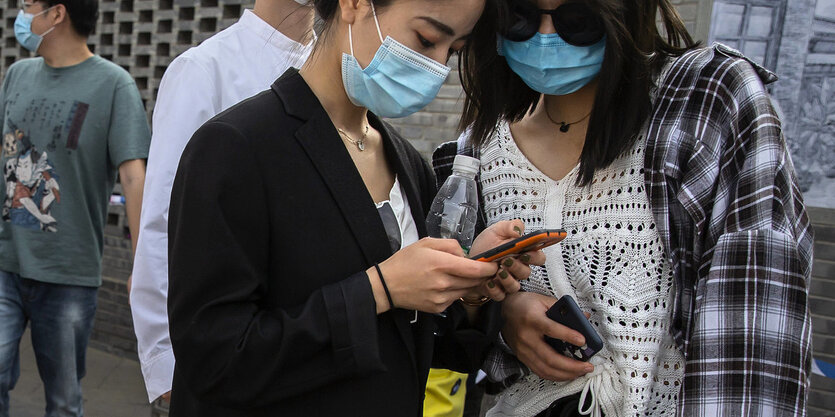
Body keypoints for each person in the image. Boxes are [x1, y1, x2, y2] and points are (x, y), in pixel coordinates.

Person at [435, 0, 814, 416]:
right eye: (519, 18)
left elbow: (754, 324)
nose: (545, 36)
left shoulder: (704, 103)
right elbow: (450, 332)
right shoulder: (474, 154)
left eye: (575, 18)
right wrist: (500, 316)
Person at [165, 0, 544, 415]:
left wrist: (467, 288)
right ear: (353, 4)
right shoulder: (235, 146)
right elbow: (213, 359)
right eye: (428, 39)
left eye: (453, 51)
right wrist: (380, 289)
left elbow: (422, 347)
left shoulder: (408, 163)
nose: (437, 68)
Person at [128, 0, 316, 406]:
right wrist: (165, 361)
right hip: (221, 347)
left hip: (307, 347)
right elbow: (164, 218)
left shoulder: (337, 72)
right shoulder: (205, 69)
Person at [0, 0, 150, 415]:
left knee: (63, 398)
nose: (22, 14)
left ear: (57, 14)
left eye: (30, 5)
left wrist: (143, 265)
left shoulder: (113, 85)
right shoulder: (18, 74)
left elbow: (134, 177)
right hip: (6, 261)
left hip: (68, 271)